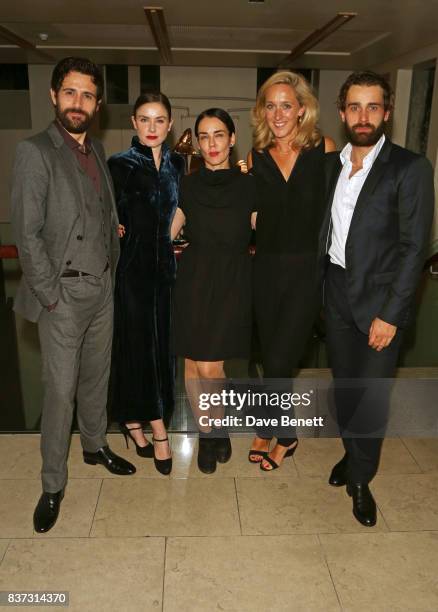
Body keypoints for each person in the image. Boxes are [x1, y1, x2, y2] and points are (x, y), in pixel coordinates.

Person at [11, 57, 136, 534]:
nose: (78, 103)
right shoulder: (34, 151)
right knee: (60, 392)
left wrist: (112, 245)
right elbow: (27, 233)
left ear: (97, 103)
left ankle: (94, 445)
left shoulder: (98, 149)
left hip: (102, 285)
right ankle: (52, 484)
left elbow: (99, 212)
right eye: (70, 93)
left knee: (95, 379)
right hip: (61, 293)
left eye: (87, 95)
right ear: (53, 96)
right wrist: (49, 296)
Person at [320, 71, 434, 526]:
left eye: (372, 107)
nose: (362, 116)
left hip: (380, 305)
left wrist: (392, 313)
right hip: (335, 296)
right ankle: (353, 452)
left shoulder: (409, 167)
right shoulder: (331, 165)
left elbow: (414, 249)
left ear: (387, 112)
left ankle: (362, 479)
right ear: (342, 112)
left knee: (371, 398)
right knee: (345, 393)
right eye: (354, 107)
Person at [248, 70, 336, 471]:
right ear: (262, 112)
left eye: (287, 104)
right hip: (264, 272)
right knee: (270, 356)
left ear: (302, 110)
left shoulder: (325, 149)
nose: (279, 113)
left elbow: (343, 209)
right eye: (271, 105)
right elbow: (247, 211)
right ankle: (269, 424)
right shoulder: (255, 158)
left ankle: (286, 435)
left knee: (282, 359)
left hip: (305, 273)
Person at [171, 108, 255, 474]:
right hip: (194, 279)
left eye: (218, 135)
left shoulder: (251, 185)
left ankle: (214, 427)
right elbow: (168, 229)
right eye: (203, 137)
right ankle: (210, 432)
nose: (211, 144)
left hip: (233, 280)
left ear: (233, 139)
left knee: (211, 365)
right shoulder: (187, 184)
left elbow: (269, 228)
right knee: (192, 360)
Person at [108, 92, 184, 475]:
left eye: (159, 120)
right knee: (138, 349)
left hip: (165, 273)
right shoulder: (119, 165)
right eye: (145, 119)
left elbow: (182, 207)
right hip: (132, 272)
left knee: (164, 353)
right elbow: (106, 216)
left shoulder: (179, 163)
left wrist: (175, 228)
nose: (152, 127)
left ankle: (133, 421)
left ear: (169, 124)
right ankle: (158, 430)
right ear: (134, 123)